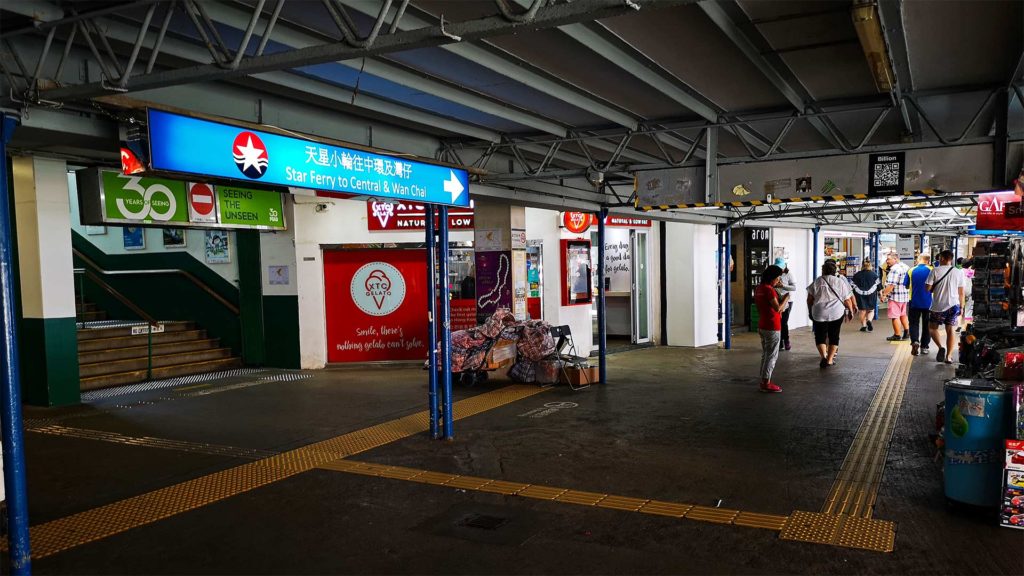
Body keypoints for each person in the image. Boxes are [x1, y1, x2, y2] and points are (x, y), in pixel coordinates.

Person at [807, 260, 856, 369]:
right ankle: (829, 360)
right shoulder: (840, 282)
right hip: (836, 313)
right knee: (834, 335)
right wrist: (851, 311)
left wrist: (810, 310)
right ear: (834, 271)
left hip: (819, 312)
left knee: (820, 336)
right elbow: (847, 300)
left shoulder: (817, 281)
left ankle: (823, 356)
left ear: (823, 270)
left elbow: (809, 299)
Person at [927, 250, 965, 364]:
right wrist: (962, 307)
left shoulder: (935, 270)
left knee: (932, 328)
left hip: (938, 306)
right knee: (950, 329)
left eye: (939, 258)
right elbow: (961, 292)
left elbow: (927, 289)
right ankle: (948, 356)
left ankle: (940, 347)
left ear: (943, 258)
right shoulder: (958, 272)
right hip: (954, 305)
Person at [754, 265, 789, 393]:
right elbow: (777, 308)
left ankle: (764, 379)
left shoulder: (759, 288)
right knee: (772, 355)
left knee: (766, 354)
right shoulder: (769, 290)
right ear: (772, 278)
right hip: (772, 326)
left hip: (762, 324)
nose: (778, 280)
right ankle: (766, 382)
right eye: (778, 278)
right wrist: (786, 299)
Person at [879, 252, 911, 341]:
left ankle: (897, 335)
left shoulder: (894, 269)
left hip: (895, 297)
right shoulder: (905, 267)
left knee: (895, 316)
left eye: (889, 259)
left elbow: (891, 286)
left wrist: (884, 295)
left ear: (895, 259)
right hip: (905, 296)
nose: (887, 261)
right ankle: (906, 332)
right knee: (903, 315)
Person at [907, 254, 933, 356]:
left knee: (913, 323)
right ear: (928, 260)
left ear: (919, 259)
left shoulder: (911, 270)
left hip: (914, 302)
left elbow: (906, 285)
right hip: (929, 302)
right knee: (927, 325)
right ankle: (924, 347)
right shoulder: (932, 270)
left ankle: (915, 341)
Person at [774, 257, 797, 351]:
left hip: (787, 300)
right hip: (776, 299)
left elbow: (794, 288)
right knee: (778, 321)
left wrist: (783, 285)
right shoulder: (774, 273)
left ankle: (786, 340)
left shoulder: (789, 274)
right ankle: (779, 342)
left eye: (781, 267)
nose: (779, 269)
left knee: (783, 322)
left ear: (785, 266)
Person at [852, 260, 880, 332]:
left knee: (862, 311)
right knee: (871, 310)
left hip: (859, 295)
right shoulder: (874, 275)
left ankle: (863, 326)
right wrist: (882, 295)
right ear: (870, 266)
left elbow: (852, 285)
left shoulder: (857, 275)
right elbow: (879, 286)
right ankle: (869, 321)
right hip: (871, 295)